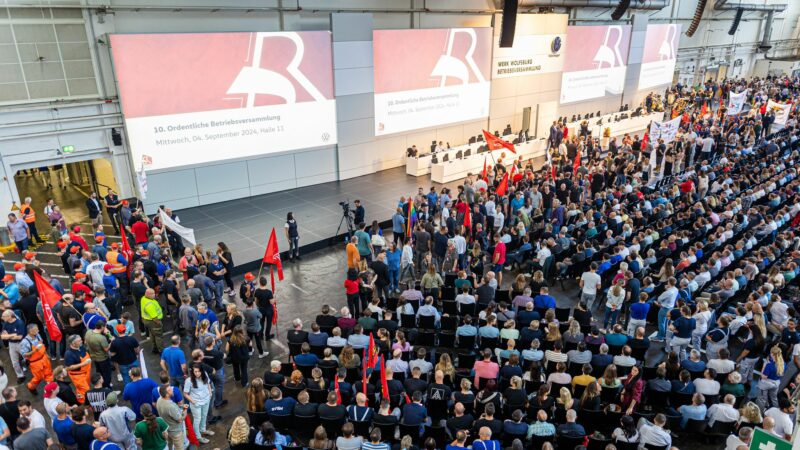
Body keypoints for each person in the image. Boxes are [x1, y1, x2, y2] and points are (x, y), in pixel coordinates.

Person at [183, 363, 213, 444]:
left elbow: (208, 383)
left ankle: (203, 430)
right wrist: (193, 402)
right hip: (196, 403)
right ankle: (198, 436)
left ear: (202, 371)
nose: (197, 373)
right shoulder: (188, 381)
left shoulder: (205, 374)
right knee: (197, 419)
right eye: (195, 371)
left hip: (206, 400)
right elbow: (185, 393)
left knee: (204, 416)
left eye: (198, 371)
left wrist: (210, 393)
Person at [19, 324, 52, 395]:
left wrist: (46, 354)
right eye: (36, 329)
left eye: (37, 329)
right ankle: (30, 386)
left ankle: (51, 390)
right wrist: (35, 350)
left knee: (49, 374)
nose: (38, 330)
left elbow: (42, 345)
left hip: (44, 358)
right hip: (35, 363)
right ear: (30, 331)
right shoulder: (25, 342)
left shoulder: (37, 335)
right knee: (38, 378)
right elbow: (24, 354)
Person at [155, 385, 187, 450]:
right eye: (170, 390)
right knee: (179, 448)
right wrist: (185, 409)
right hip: (175, 432)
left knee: (169, 445)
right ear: (166, 395)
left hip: (166, 429)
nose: (172, 390)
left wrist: (179, 407)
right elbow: (180, 419)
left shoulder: (159, 400)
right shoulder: (170, 406)